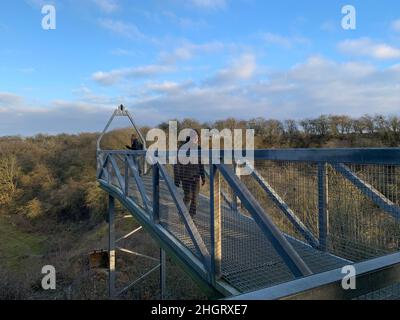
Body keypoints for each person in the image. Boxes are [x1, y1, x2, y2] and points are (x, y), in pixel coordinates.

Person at [174, 133, 205, 218]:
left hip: (196, 177)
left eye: (197, 138)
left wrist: (203, 176)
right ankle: (182, 213)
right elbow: (177, 163)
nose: (196, 139)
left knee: (195, 198)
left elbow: (201, 163)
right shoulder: (182, 148)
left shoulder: (198, 148)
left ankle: (191, 216)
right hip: (185, 177)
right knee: (188, 197)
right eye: (195, 138)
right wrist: (176, 178)